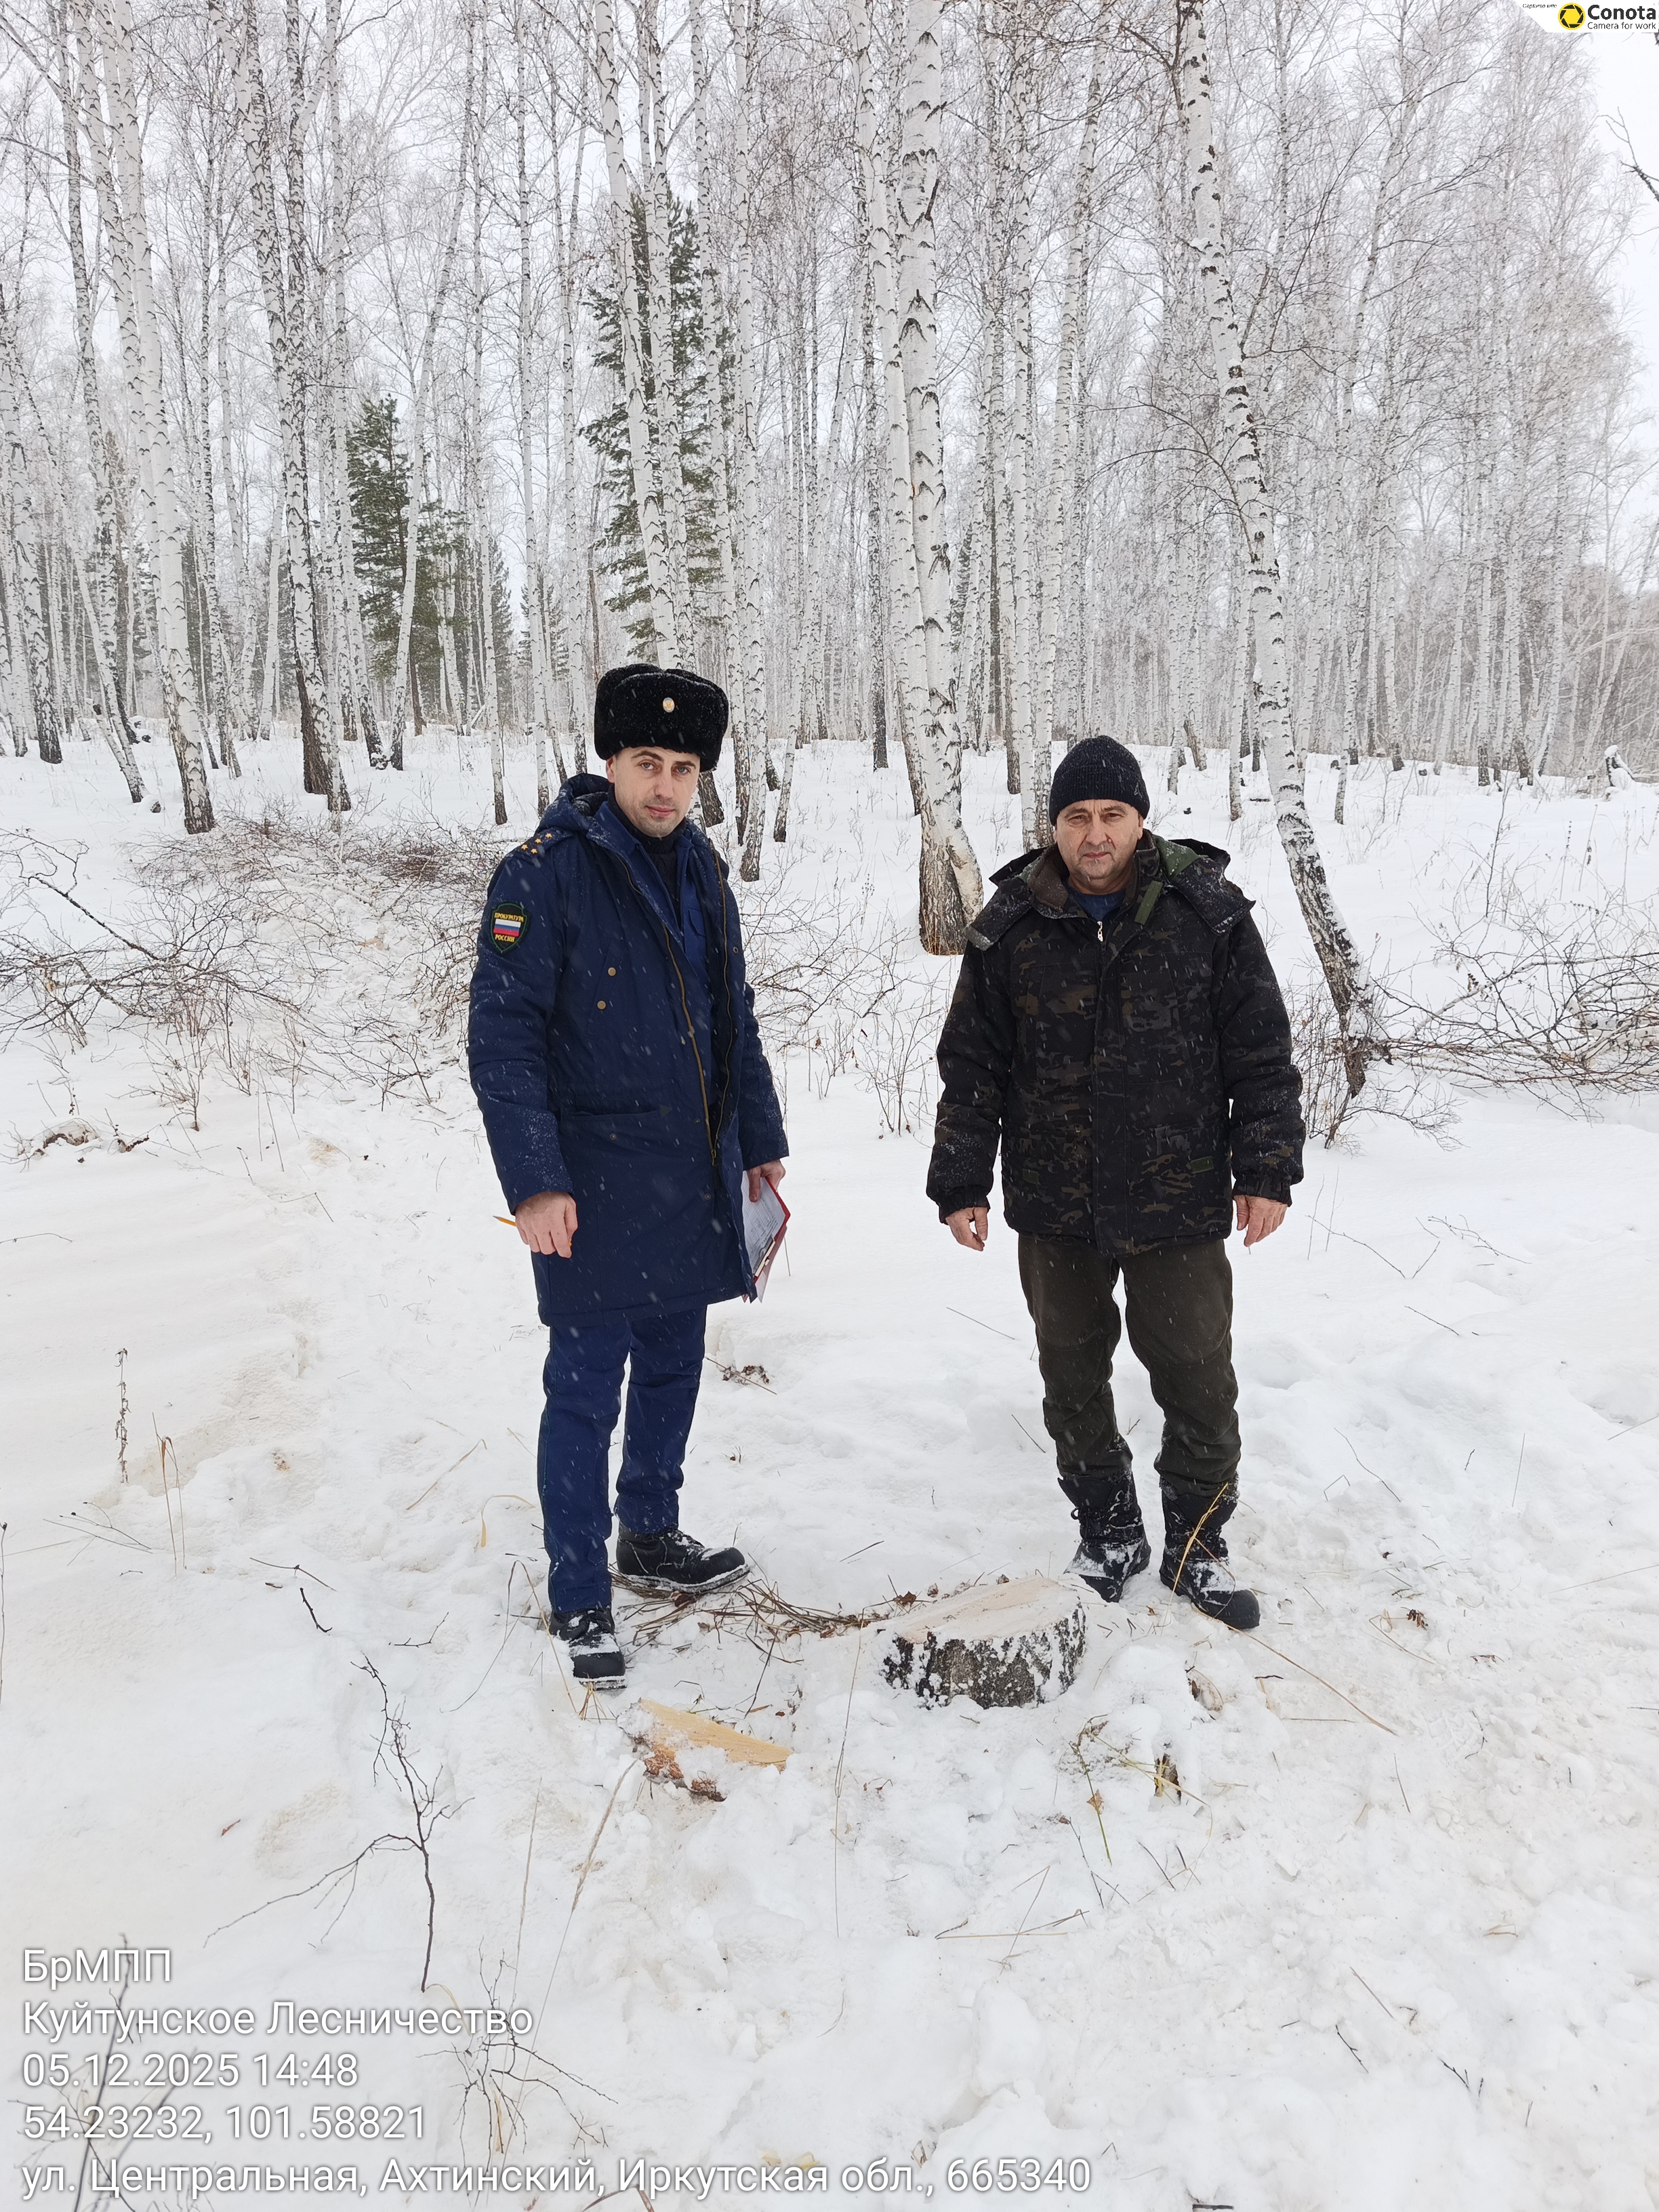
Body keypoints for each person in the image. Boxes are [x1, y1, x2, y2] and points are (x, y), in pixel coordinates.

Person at [925, 735, 1303, 1630]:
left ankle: (1198, 1542)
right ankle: (1110, 1530)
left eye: (1112, 816)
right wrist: (962, 1180)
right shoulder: (1011, 924)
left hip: (1178, 1193)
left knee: (1198, 1376)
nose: (1095, 835)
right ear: (1053, 825)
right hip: (1056, 1199)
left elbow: (1260, 1050)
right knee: (1071, 1375)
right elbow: (973, 1064)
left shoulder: (1205, 913)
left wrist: (1267, 1168)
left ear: (1140, 821)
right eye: (1077, 817)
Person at [469, 665, 787, 1685]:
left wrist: (759, 1138)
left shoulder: (702, 869)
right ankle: (578, 1589)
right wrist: (535, 1181)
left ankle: (649, 1532)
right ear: (610, 761)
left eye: (683, 767)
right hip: (591, 1185)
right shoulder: (543, 874)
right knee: (584, 1390)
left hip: (688, 1172)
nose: (664, 786)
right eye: (647, 762)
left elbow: (734, 1016)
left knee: (672, 1365)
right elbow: (504, 1040)